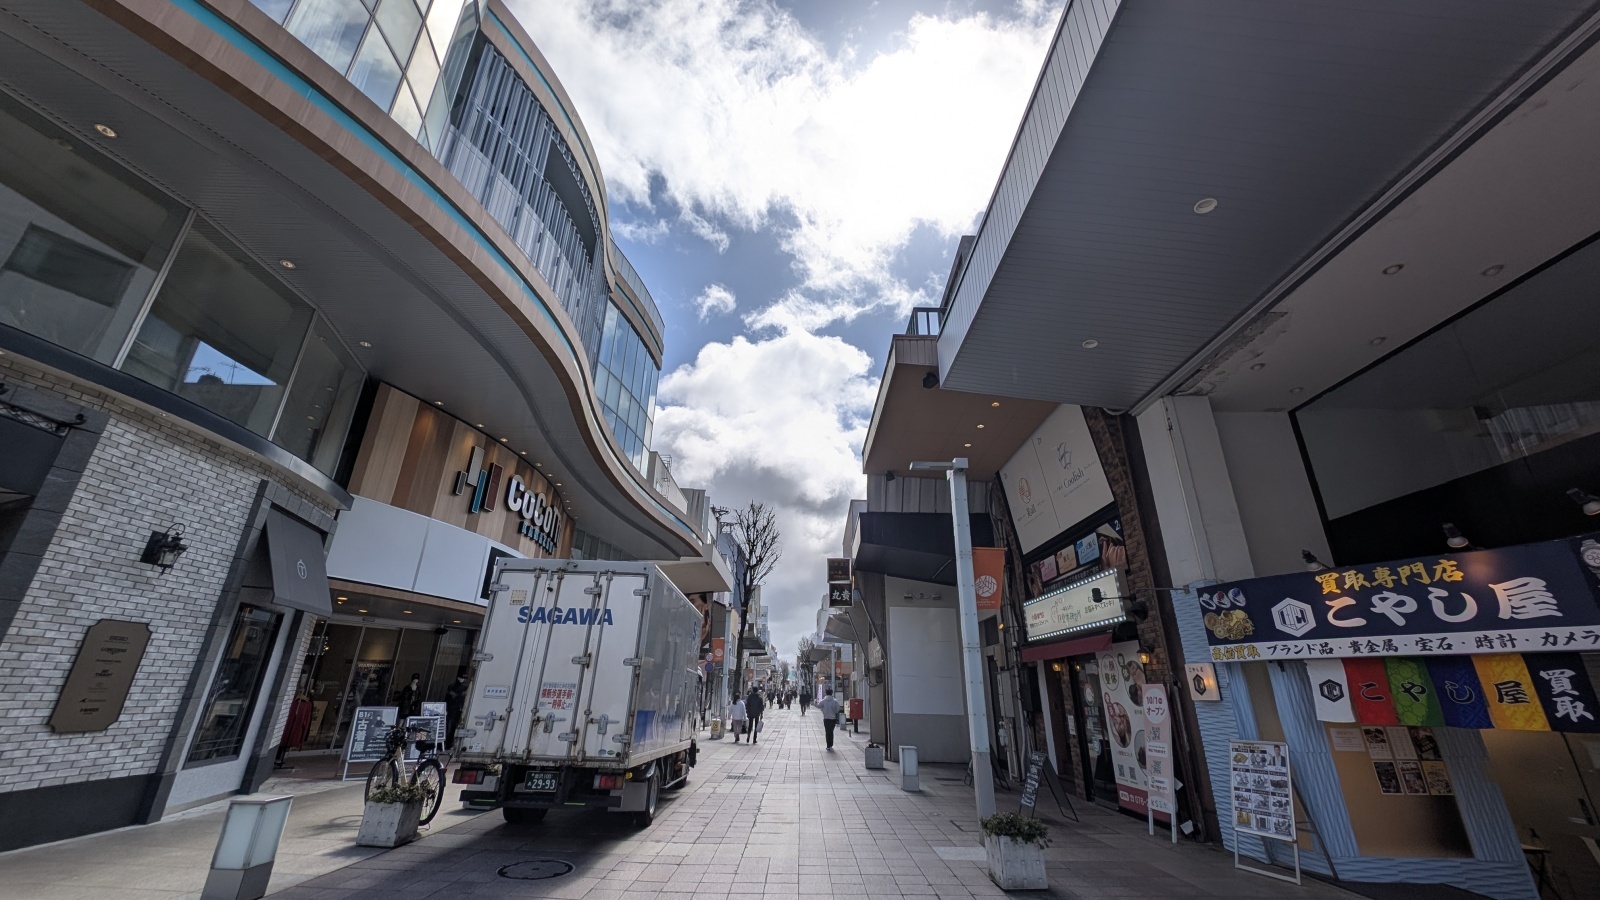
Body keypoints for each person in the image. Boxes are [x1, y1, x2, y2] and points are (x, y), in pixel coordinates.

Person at [444, 672, 469, 746]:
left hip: (459, 709)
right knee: (449, 726)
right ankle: (447, 743)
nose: (463, 680)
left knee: (455, 726)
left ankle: (450, 743)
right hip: (452, 709)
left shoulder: (466, 687)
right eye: (462, 678)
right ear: (458, 678)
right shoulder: (452, 686)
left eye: (464, 678)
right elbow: (447, 698)